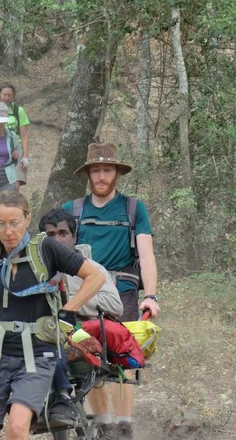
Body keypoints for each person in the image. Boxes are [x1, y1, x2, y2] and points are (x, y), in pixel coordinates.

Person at [0, 191, 105, 440]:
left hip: (36, 354)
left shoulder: (46, 249)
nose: (8, 231)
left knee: (17, 428)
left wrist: (68, 311)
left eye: (14, 223)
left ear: (27, 220)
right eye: (1, 224)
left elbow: (95, 277)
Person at [62, 142, 160, 440]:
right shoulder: (72, 210)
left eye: (107, 170)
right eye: (96, 171)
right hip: (83, 293)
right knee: (86, 357)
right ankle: (102, 425)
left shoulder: (133, 208)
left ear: (116, 173)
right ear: (88, 175)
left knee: (123, 356)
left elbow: (146, 255)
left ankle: (124, 425)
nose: (101, 176)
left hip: (123, 291)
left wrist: (151, 296)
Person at [37, 208, 123, 429]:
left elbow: (115, 305)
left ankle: (103, 425)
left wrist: (71, 303)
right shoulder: (34, 270)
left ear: (74, 237)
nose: (57, 239)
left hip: (80, 338)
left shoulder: (91, 269)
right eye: (50, 235)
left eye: (63, 233)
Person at [0, 82, 30, 191]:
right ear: (0, 95)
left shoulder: (18, 111)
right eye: (4, 95)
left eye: (9, 95)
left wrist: (25, 156)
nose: (6, 98)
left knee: (14, 186)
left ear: (13, 96)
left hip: (15, 153)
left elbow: (24, 135)